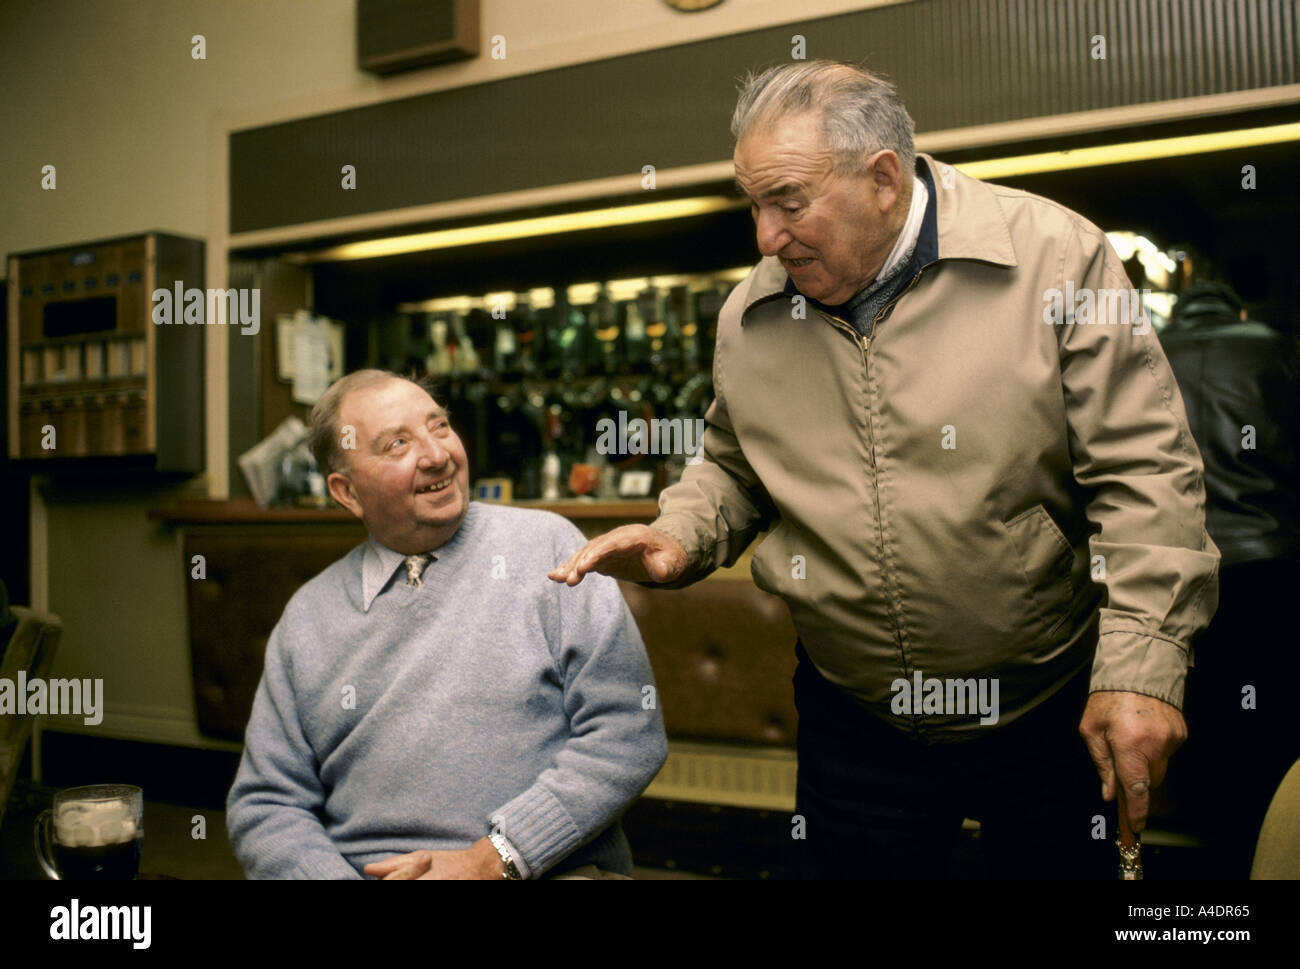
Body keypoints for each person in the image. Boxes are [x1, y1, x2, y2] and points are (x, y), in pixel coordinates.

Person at [550, 61, 1220, 878]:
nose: (765, 236)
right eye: (753, 205)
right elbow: (732, 463)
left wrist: (1143, 668)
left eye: (789, 201)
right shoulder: (752, 312)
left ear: (883, 179)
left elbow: (1145, 474)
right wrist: (678, 534)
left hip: (1047, 703)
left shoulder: (1055, 258)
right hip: (856, 716)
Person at [227, 369, 667, 879]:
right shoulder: (309, 615)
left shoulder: (548, 548)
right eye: (398, 444)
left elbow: (628, 730)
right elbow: (266, 804)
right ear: (347, 492)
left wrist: (494, 859)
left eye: (439, 427)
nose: (437, 455)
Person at [1158, 281, 1300, 877]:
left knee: (1186, 700)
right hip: (1266, 558)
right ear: (1236, 310)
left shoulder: (1148, 349)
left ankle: (1189, 840)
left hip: (1172, 562)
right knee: (1267, 713)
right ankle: (1257, 845)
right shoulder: (1276, 348)